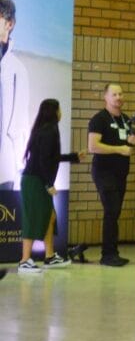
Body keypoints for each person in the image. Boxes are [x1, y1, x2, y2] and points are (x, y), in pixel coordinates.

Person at [17, 99, 82, 274]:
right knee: (33, 218)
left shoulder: (47, 129)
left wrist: (73, 157)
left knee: (50, 216)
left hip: (36, 180)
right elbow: (44, 160)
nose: (61, 112)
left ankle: (50, 256)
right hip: (35, 181)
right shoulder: (49, 131)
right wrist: (49, 184)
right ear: (54, 111)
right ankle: (24, 261)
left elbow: (51, 156)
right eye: (59, 109)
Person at [88, 83, 135, 267]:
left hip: (120, 173)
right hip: (104, 172)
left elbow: (129, 147)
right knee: (111, 210)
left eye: (120, 94)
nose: (118, 97)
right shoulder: (99, 119)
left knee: (115, 212)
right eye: (114, 94)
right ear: (106, 97)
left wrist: (132, 143)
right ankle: (107, 255)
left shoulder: (126, 119)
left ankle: (113, 252)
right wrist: (120, 149)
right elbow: (93, 146)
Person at [0, 0, 30, 191]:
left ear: (9, 23)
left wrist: (21, 167)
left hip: (4, 170)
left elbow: (19, 126)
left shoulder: (17, 69)